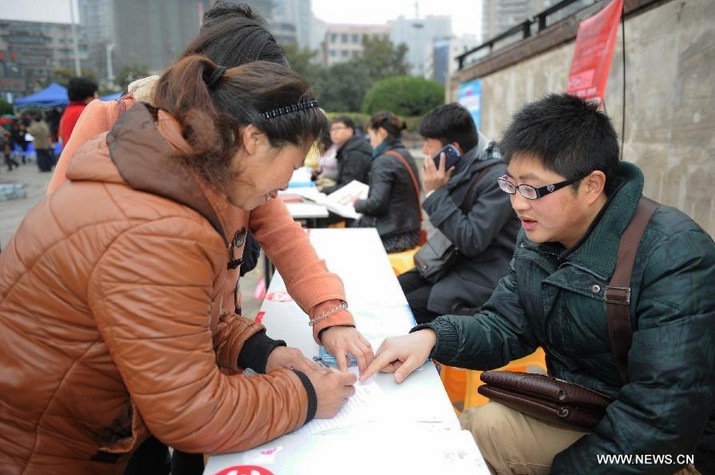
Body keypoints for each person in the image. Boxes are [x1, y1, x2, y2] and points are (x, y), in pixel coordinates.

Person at [0, 55, 361, 474]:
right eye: (293, 165)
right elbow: (192, 413)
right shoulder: (159, 226)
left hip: (92, 426)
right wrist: (306, 395)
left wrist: (261, 353)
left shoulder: (172, 181)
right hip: (52, 451)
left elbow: (178, 319)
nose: (285, 184)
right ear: (253, 139)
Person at [361, 93, 715, 475]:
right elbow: (506, 324)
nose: (518, 204)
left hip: (670, 452)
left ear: (592, 185)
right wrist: (432, 338)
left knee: (477, 437)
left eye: (532, 189)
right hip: (586, 407)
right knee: (471, 433)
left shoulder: (675, 253)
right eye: (511, 185)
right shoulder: (541, 234)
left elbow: (662, 419)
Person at [46, 2, 372, 373]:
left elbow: (282, 233)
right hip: (122, 362)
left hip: (208, 344)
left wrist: (329, 313)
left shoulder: (241, 160)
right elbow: (66, 247)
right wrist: (300, 393)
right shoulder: (111, 123)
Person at [398, 103, 520, 323]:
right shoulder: (463, 169)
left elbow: (471, 239)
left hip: (484, 276)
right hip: (450, 265)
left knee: (406, 308)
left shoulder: (498, 179)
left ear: (453, 149)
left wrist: (436, 192)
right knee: (395, 291)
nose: (424, 150)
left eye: (429, 143)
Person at [354, 110, 422, 253]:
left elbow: (377, 204)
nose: (370, 141)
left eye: (371, 135)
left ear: (382, 133)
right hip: (410, 231)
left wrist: (357, 203)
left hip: (393, 236)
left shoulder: (384, 161)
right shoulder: (404, 154)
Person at [320, 116, 372, 195]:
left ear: (350, 131)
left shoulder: (355, 153)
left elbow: (350, 186)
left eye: (338, 128)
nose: (334, 132)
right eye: (332, 129)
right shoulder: (347, 148)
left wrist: (323, 190)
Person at [59, 76, 99, 145]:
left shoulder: (68, 111)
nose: (98, 97)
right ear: (89, 96)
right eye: (96, 93)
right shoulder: (87, 112)